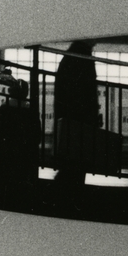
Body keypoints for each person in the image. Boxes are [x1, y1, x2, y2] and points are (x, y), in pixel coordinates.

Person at [0, 78, 41, 200]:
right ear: (26, 93)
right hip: (24, 164)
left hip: (3, 161)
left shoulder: (2, 111)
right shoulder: (31, 113)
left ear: (10, 92)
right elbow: (37, 138)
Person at [53, 40, 100, 187]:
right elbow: (89, 89)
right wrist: (93, 113)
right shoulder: (84, 58)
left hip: (68, 113)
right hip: (81, 115)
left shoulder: (68, 58)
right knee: (79, 159)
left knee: (70, 159)